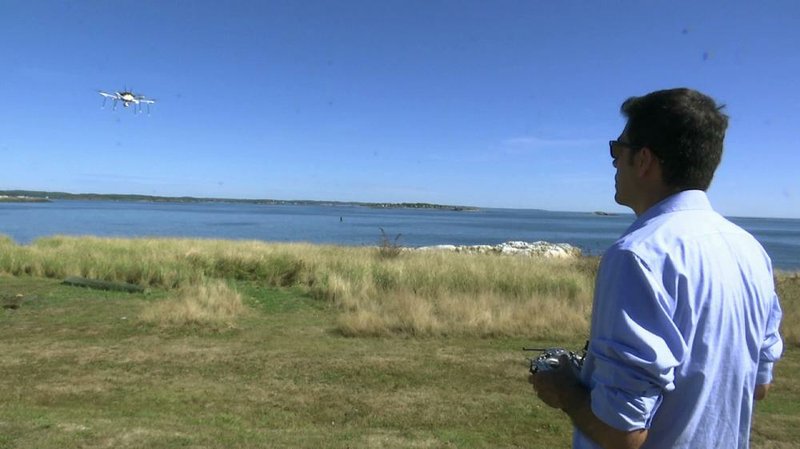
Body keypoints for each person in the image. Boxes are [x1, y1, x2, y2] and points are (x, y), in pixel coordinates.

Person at [530, 88, 784, 449]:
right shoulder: (751, 251)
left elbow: (623, 433)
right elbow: (759, 386)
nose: (614, 162)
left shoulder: (638, 255)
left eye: (618, 150)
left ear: (644, 159)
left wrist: (566, 391)